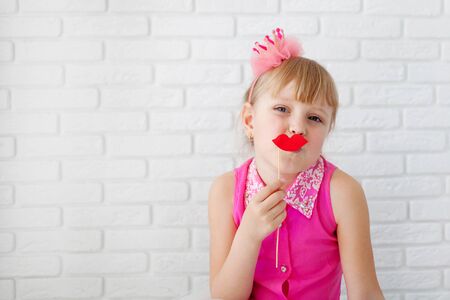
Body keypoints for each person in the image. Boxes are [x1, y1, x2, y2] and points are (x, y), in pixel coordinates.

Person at [208, 27, 385, 299]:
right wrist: (249, 235)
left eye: (314, 118)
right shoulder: (225, 191)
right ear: (249, 120)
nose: (297, 128)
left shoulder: (343, 193)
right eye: (282, 109)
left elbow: (366, 293)